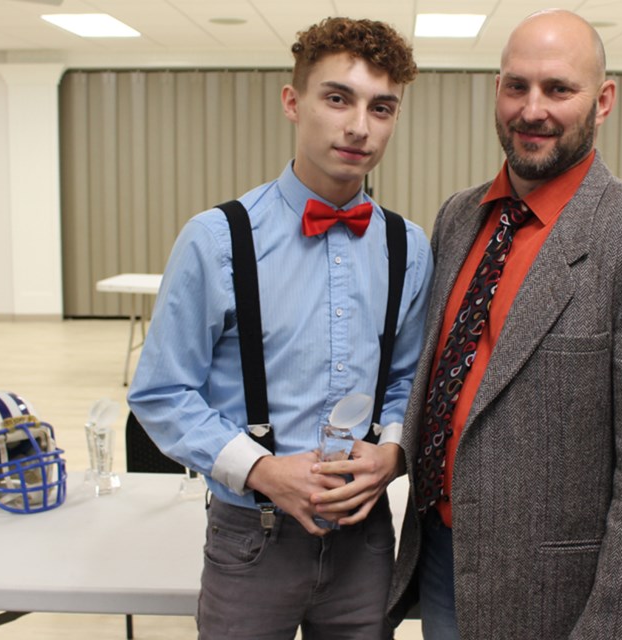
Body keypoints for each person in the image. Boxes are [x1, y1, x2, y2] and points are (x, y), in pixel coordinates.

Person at [384, 9, 622, 639]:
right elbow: (446, 381)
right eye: (516, 86)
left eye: (559, 89)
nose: (532, 109)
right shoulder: (460, 216)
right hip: (439, 556)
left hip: (553, 596)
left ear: (603, 99)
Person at [128, 17, 433, 640]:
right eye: (337, 98)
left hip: (366, 539)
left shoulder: (409, 247)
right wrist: (262, 470)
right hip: (252, 540)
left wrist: (393, 451)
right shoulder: (217, 239)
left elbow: (408, 377)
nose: (359, 126)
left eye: (382, 107)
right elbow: (161, 393)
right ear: (293, 103)